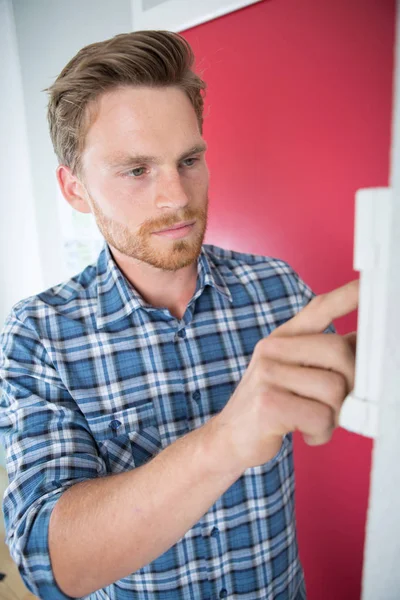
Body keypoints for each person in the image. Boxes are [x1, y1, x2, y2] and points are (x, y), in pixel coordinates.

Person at [0, 30, 358, 600]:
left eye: (189, 159)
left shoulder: (278, 289)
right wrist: (226, 440)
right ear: (75, 190)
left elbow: (358, 383)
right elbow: (48, 562)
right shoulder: (38, 335)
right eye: (136, 170)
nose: (176, 197)